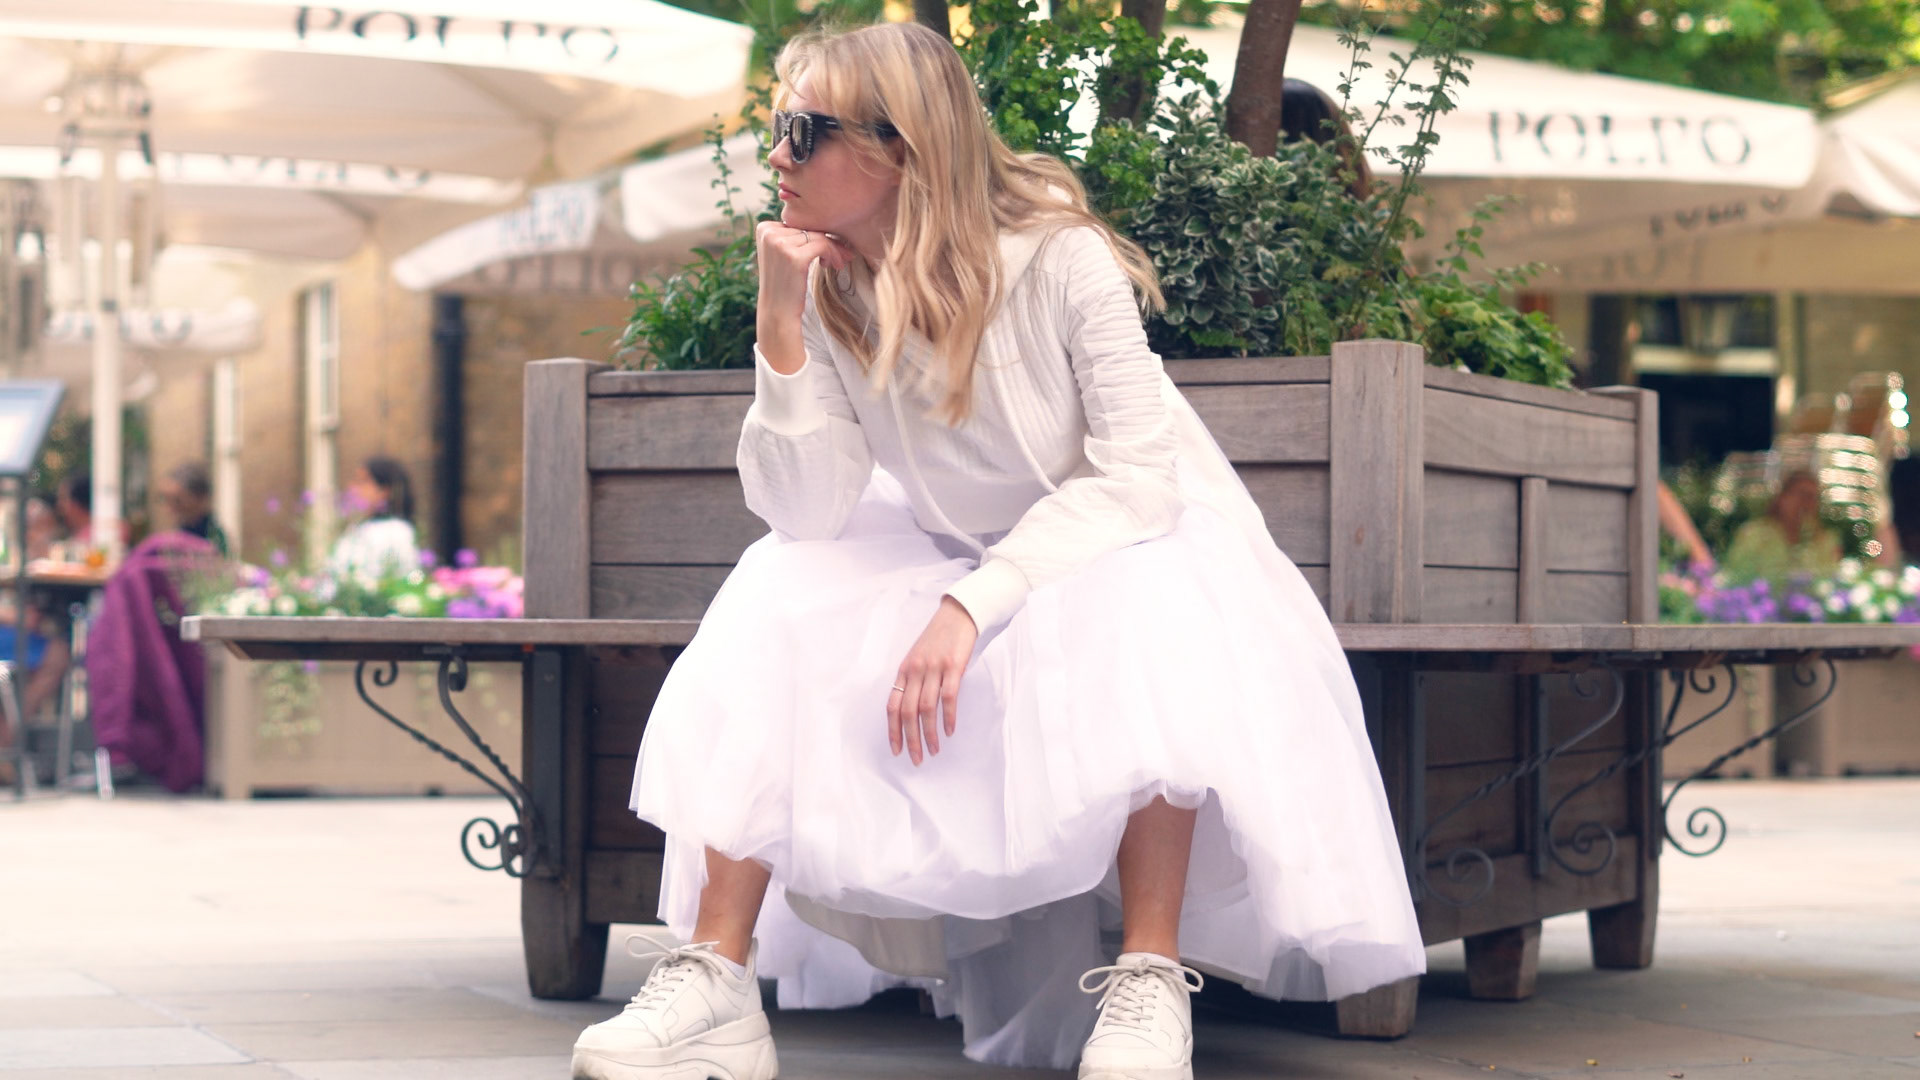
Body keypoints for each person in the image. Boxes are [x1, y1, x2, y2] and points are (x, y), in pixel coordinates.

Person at [570, 22, 1423, 1080]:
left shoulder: (1061, 256)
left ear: (899, 148)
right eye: (776, 128)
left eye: (803, 131)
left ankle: (1150, 980)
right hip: (952, 551)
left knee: (1147, 598)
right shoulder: (828, 287)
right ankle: (718, 983)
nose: (777, 155)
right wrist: (779, 330)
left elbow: (1137, 480)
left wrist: (978, 599)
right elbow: (807, 512)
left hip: (1117, 538)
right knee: (775, 586)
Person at [1723, 470, 1842, 583]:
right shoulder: (1753, 534)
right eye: (1802, 495)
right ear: (1782, 498)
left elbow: (1831, 579)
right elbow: (1735, 575)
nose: (1806, 503)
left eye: (1813, 498)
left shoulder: (1826, 540)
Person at [327, 456, 420, 579]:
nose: (354, 488)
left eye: (362, 482)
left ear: (384, 491)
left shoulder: (397, 532)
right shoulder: (354, 530)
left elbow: (409, 576)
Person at [156, 462, 229, 557]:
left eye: (177, 500)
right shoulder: (179, 530)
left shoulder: (213, 536)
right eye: (165, 499)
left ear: (200, 498)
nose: (168, 508)